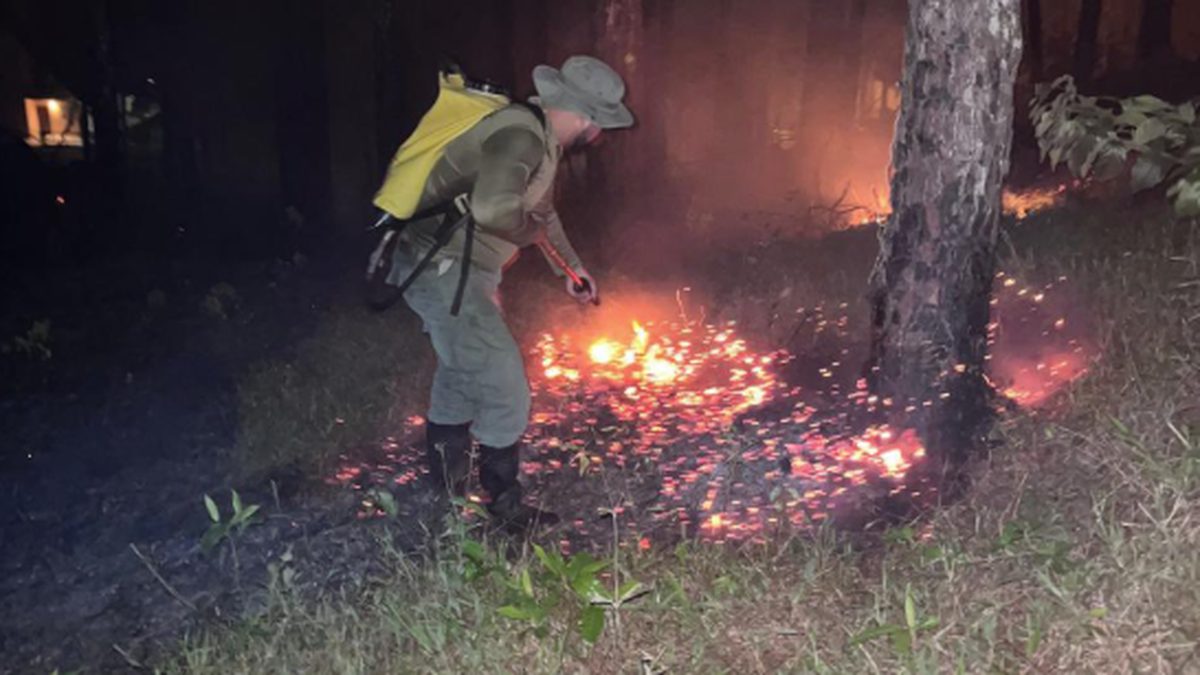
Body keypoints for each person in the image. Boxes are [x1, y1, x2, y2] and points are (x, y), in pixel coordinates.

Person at [373, 55, 634, 527]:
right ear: (581, 113)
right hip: (443, 269)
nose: (597, 133)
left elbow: (544, 215)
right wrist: (527, 230)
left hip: (460, 270)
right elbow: (495, 209)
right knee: (504, 382)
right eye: (597, 121)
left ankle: (449, 494)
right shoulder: (521, 135)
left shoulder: (541, 142)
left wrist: (572, 270)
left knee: (461, 369)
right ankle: (505, 506)